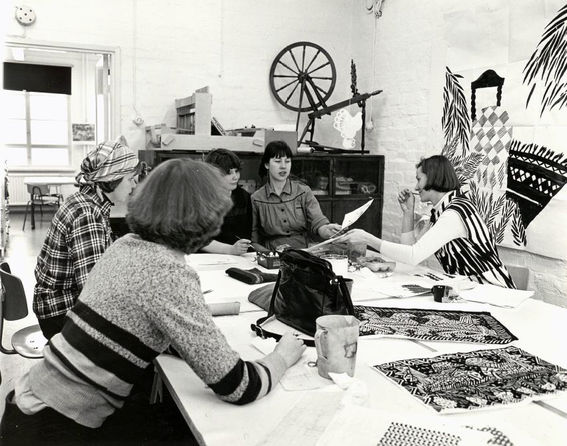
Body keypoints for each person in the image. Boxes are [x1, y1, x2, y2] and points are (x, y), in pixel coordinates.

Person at [0, 159, 306, 445]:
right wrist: (282, 356)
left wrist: (198, 345)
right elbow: (238, 386)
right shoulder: (169, 272)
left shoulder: (127, 244)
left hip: (30, 403)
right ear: (205, 217)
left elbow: (140, 324)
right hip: (55, 429)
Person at [335, 155, 515, 288]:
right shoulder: (442, 210)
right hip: (468, 288)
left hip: (491, 290)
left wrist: (368, 239)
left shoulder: (454, 213)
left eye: (419, 179)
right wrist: (408, 213)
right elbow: (409, 253)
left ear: (433, 177)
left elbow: (413, 255)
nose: (415, 186)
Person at [33, 140, 140, 339]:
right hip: (61, 314)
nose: (135, 184)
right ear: (112, 179)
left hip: (56, 305)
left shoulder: (86, 202)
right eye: (131, 178)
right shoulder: (87, 214)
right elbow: (93, 291)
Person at [251, 141, 341, 250]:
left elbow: (318, 221)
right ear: (267, 165)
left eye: (287, 161)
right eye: (277, 161)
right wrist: (269, 255)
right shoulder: (256, 199)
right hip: (272, 253)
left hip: (302, 251)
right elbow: (253, 240)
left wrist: (327, 230)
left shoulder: (303, 191)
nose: (283, 166)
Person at [201, 148, 252, 255]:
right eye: (228, 173)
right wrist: (230, 249)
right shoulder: (201, 198)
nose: (235, 177)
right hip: (206, 257)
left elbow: (247, 234)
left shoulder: (244, 197)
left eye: (236, 171)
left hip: (239, 257)